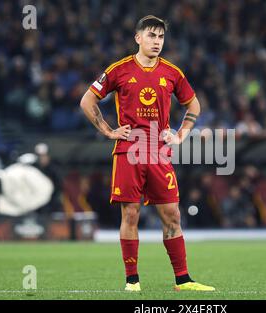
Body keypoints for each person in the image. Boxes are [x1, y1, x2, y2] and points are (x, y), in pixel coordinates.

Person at [79, 15, 214, 292]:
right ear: (138, 38)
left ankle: (183, 280)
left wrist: (179, 135)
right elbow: (87, 100)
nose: (157, 42)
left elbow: (194, 105)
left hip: (159, 152)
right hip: (130, 149)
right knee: (130, 214)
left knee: (172, 215)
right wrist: (108, 130)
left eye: (161, 37)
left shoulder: (172, 73)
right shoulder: (119, 70)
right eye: (151, 36)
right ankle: (132, 281)